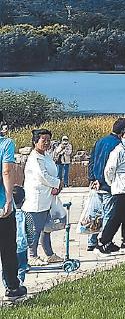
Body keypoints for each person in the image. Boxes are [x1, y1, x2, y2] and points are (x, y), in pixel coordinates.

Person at [86, 117, 125, 253]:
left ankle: (92, 241)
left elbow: (92, 160)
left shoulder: (100, 141)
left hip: (97, 182)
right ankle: (104, 241)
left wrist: (92, 178)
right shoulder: (118, 146)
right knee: (108, 214)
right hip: (109, 184)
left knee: (96, 214)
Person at [98, 126, 125, 255]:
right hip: (121, 189)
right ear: (121, 138)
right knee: (116, 217)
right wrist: (113, 183)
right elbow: (109, 171)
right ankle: (103, 242)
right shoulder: (117, 152)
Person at [23, 128, 62, 265]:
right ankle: (32, 256)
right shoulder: (34, 158)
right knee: (35, 229)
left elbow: (51, 172)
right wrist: (57, 183)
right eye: (43, 140)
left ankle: (49, 254)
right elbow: (42, 176)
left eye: (48, 140)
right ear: (35, 142)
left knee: (47, 228)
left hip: (47, 197)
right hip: (36, 199)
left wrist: (56, 185)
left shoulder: (46, 155)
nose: (46, 143)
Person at [0, 112, 22, 301]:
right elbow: (6, 171)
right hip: (1, 207)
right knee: (7, 247)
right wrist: (8, 199)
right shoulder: (6, 144)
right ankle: (12, 286)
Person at [12, 187, 27, 288]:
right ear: (23, 200)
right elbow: (30, 231)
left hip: (9, 247)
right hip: (22, 246)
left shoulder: (6, 215)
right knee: (21, 266)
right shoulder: (26, 215)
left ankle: (8, 284)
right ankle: (19, 282)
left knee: (7, 266)